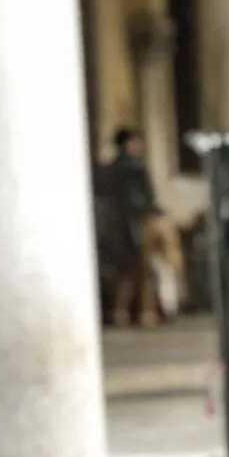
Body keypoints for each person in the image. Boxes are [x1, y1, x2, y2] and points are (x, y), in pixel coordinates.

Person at [98, 127, 164, 327]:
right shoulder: (135, 169)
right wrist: (151, 211)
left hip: (117, 227)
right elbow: (143, 199)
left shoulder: (110, 169)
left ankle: (121, 313)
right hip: (134, 226)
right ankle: (145, 313)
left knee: (125, 273)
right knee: (142, 272)